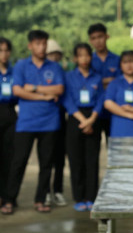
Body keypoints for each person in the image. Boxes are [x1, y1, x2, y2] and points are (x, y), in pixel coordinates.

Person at [2, 30, 64, 214]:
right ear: (30, 46)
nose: (42, 47)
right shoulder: (21, 66)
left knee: (46, 164)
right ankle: (9, 199)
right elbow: (18, 91)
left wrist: (35, 88)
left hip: (49, 122)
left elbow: (59, 89)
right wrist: (45, 97)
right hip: (26, 122)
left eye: (44, 43)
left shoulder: (55, 67)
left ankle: (40, 199)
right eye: (37, 44)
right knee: (18, 162)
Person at [63, 43, 104, 212]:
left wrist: (92, 119)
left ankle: (91, 197)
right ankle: (79, 198)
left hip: (93, 118)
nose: (84, 59)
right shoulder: (69, 77)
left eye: (87, 55)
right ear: (75, 58)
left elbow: (101, 99)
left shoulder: (97, 77)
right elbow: (67, 100)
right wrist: (83, 121)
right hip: (75, 118)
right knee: (76, 160)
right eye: (80, 55)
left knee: (91, 160)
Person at [44, 39, 67, 207]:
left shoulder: (63, 73)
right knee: (46, 157)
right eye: (51, 55)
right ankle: (44, 191)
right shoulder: (41, 74)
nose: (54, 58)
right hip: (45, 120)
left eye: (57, 55)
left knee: (59, 158)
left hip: (61, 118)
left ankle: (57, 190)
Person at [88, 23, 120, 139]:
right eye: (94, 38)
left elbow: (120, 83)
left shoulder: (118, 59)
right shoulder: (88, 60)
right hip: (93, 110)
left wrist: (98, 82)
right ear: (90, 40)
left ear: (107, 36)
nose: (98, 41)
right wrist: (109, 81)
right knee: (93, 148)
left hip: (114, 110)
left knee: (113, 145)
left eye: (100, 37)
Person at [0, 37, 17, 213]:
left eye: (6, 50)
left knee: (9, 158)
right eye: (0, 50)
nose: (3, 54)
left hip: (10, 112)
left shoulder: (14, 72)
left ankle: (8, 198)